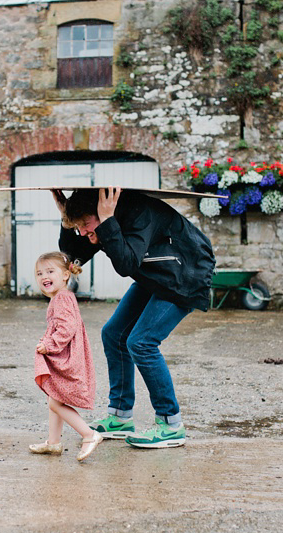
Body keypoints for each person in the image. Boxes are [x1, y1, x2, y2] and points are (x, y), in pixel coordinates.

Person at [54, 187, 215, 449]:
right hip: (156, 273)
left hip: (185, 274)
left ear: (103, 211)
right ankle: (120, 417)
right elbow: (74, 254)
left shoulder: (139, 213)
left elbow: (125, 265)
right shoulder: (102, 221)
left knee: (141, 342)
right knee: (113, 334)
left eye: (85, 224)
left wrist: (106, 221)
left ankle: (171, 424)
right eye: (79, 226)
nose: (82, 231)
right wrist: (66, 219)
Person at [30, 251, 103, 462]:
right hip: (66, 353)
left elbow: (67, 327)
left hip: (65, 356)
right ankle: (53, 443)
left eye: (50, 271)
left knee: (56, 403)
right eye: (39, 273)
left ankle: (89, 435)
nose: (44, 276)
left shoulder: (61, 298)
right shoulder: (63, 297)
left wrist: (49, 345)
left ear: (65, 275)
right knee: (55, 397)